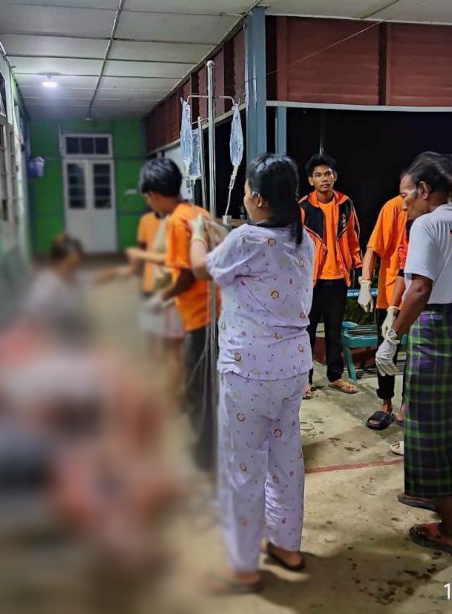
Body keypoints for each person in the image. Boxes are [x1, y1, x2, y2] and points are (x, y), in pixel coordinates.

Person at [188, 153, 314, 593]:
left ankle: (242, 566)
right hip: (293, 369)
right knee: (285, 458)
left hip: (250, 371)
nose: (243, 198)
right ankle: (286, 545)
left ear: (258, 199)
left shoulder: (245, 240)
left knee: (243, 466)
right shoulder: (303, 240)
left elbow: (201, 268)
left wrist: (198, 234)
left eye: (245, 191)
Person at [376, 154, 452, 561]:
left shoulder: (428, 225)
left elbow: (420, 288)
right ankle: (427, 494)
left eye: (406, 195)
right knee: (447, 425)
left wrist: (393, 336)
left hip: (436, 329)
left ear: (425, 190)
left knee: (426, 430)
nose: (403, 204)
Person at [132, 158, 217, 473]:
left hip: (198, 316)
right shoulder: (199, 212)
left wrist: (161, 298)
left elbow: (185, 276)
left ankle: (205, 455)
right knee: (209, 386)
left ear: (154, 194)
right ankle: (211, 447)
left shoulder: (176, 221)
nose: (148, 203)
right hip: (214, 308)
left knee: (197, 389)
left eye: (147, 197)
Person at [300, 153, 363, 399]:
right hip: (311, 281)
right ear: (310, 180)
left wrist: (359, 270)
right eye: (318, 175)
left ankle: (335, 376)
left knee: (334, 331)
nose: (324, 178)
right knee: (307, 331)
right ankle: (304, 380)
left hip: (338, 278)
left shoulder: (346, 204)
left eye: (328, 174)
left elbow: (353, 238)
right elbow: (295, 244)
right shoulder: (303, 207)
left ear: (335, 176)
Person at [360, 193, 407, 429]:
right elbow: (373, 248)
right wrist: (365, 284)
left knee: (418, 356)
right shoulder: (394, 207)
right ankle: (386, 403)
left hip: (421, 297)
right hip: (390, 293)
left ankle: (407, 406)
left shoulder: (433, 211)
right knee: (385, 353)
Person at [132, 206, 185, 399]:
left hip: (167, 292)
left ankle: (169, 393)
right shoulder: (150, 220)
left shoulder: (175, 223)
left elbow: (163, 258)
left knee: (170, 348)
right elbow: (142, 248)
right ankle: (156, 385)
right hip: (154, 287)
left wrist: (139, 258)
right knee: (156, 342)